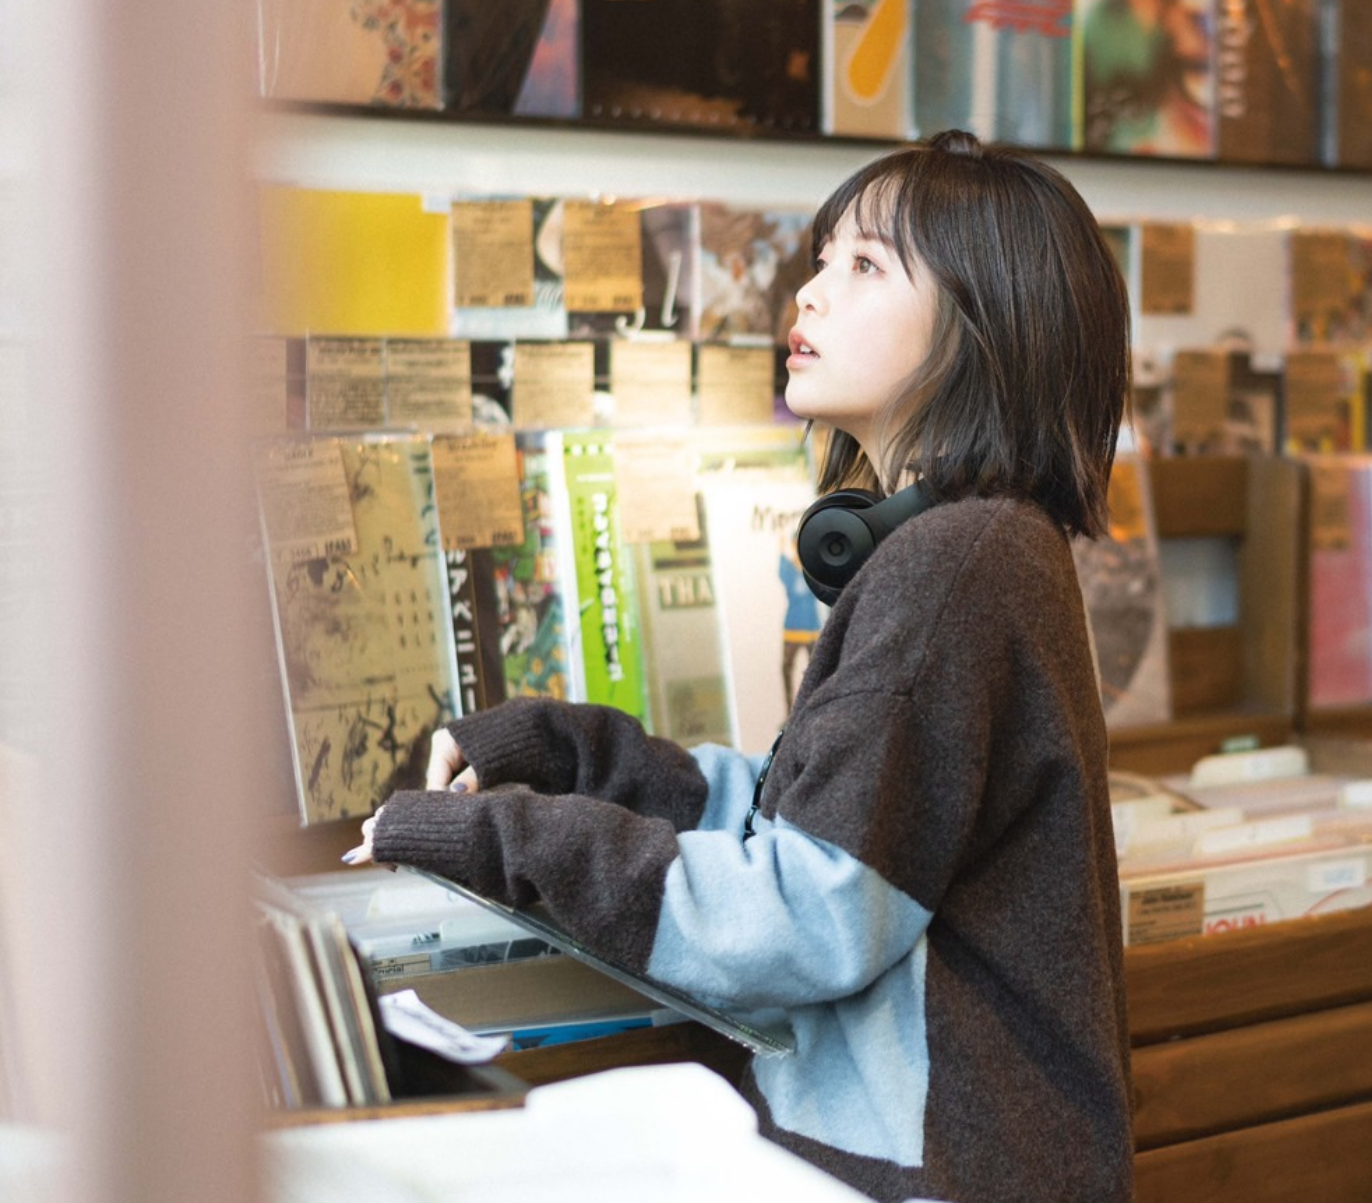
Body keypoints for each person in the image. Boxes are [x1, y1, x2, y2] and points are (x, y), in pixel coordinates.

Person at [349, 131, 1135, 1203]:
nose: (807, 292)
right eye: (820, 259)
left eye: (863, 266)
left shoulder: (954, 563)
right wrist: (565, 751)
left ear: (981, 326)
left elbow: (810, 910)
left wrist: (497, 838)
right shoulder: (981, 544)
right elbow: (805, 818)